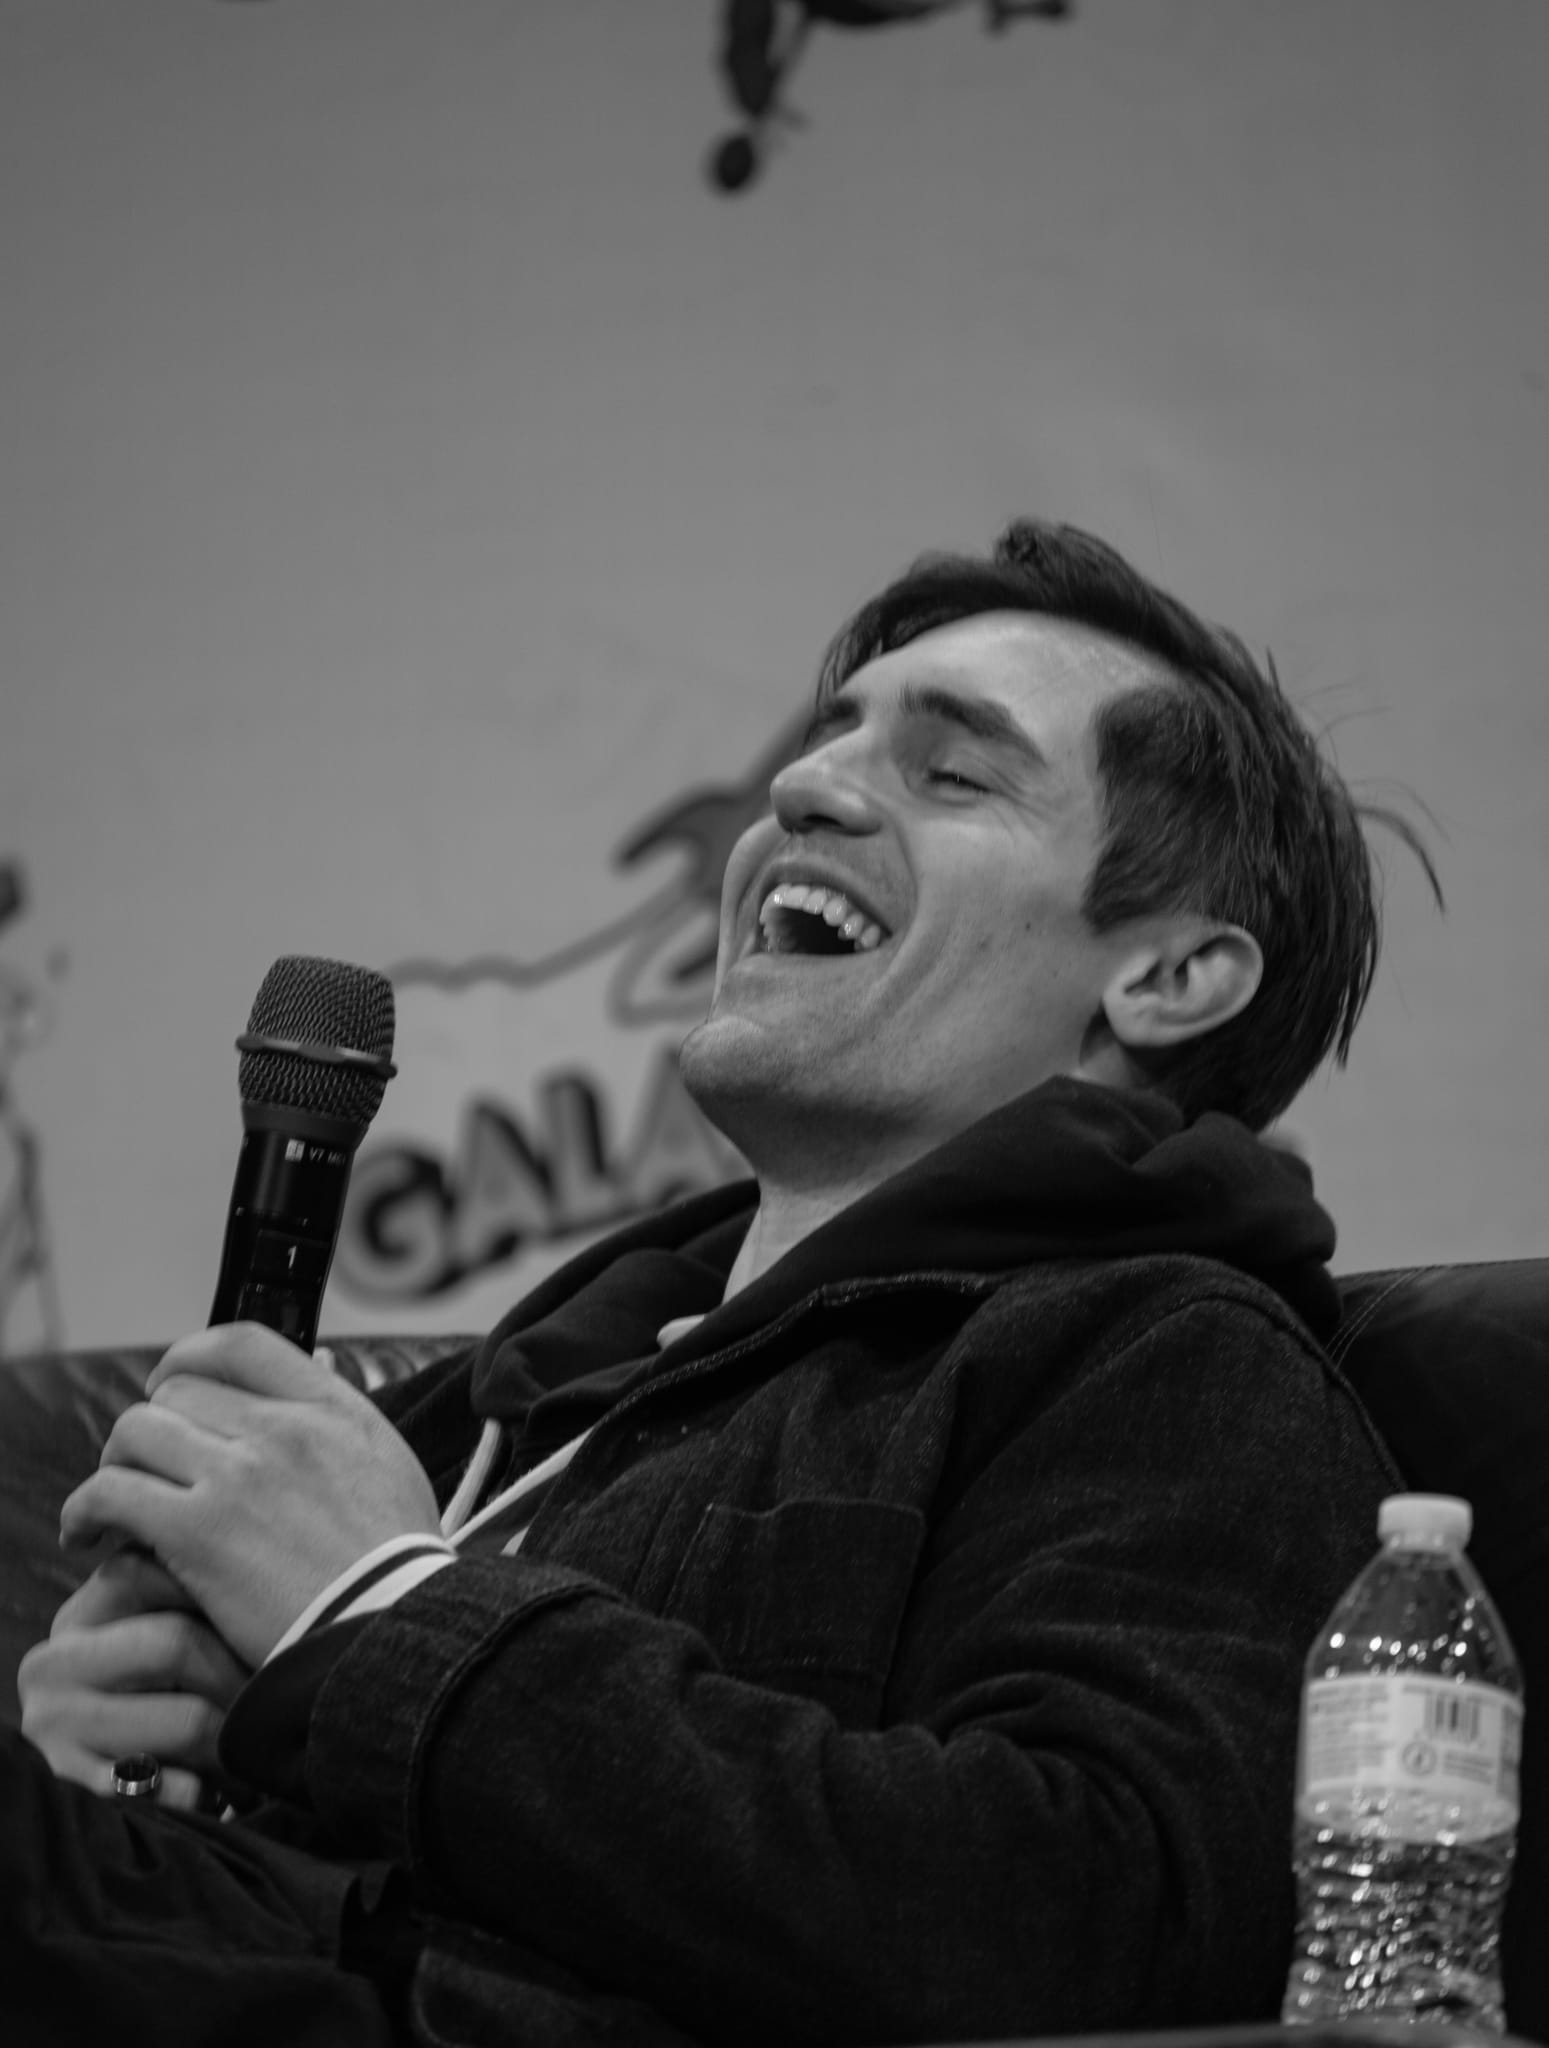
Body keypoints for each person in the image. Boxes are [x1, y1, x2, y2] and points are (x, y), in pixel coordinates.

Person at [8, 520, 1437, 2048]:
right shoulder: (494, 1402)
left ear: (1164, 976)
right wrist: (139, 1782)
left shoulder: (1167, 1361)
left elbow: (1085, 1925)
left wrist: (381, 1612)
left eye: (951, 774)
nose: (800, 789)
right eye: (828, 741)